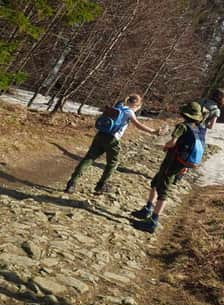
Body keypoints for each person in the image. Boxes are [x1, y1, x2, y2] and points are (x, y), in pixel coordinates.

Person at [132, 101, 206, 233]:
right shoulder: (197, 128)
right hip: (181, 163)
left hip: (172, 163)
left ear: (184, 114)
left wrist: (166, 146)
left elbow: (173, 142)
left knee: (164, 189)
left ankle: (153, 221)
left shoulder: (182, 127)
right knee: (156, 182)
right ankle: (148, 209)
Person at [65, 94, 160, 194]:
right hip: (112, 139)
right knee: (113, 163)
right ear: (137, 105)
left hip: (100, 134)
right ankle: (101, 186)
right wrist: (152, 131)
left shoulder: (118, 106)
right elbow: (138, 125)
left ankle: (72, 183)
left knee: (89, 158)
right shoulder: (129, 111)